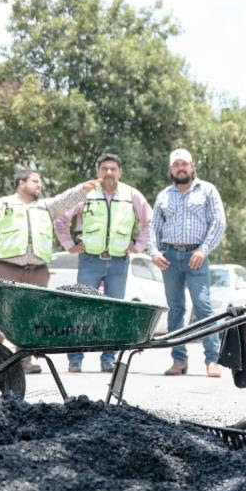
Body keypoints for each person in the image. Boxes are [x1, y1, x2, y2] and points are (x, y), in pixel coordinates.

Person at [0, 167, 97, 369]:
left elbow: (64, 200)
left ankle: (25, 361)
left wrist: (82, 189)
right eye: (34, 181)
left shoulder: (46, 207)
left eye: (40, 181)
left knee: (29, 316)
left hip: (38, 271)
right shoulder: (1, 204)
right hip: (6, 267)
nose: (39, 185)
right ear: (21, 183)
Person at [55, 153, 152, 373]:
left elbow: (150, 221)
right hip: (90, 260)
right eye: (104, 169)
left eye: (113, 169)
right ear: (98, 171)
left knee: (114, 311)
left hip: (119, 261)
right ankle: (75, 359)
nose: (109, 173)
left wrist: (137, 246)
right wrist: (69, 244)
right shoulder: (85, 192)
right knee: (81, 308)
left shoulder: (132, 195)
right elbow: (61, 216)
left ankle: (108, 359)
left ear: (120, 172)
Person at [148, 148, 226, 376]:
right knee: (175, 309)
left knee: (203, 307)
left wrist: (203, 250)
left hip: (196, 257)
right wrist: (154, 252)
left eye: (185, 164)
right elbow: (153, 228)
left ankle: (212, 360)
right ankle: (179, 360)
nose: (181, 168)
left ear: (192, 167)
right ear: (170, 170)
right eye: (176, 165)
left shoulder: (208, 190)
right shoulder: (163, 196)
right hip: (170, 258)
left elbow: (219, 223)